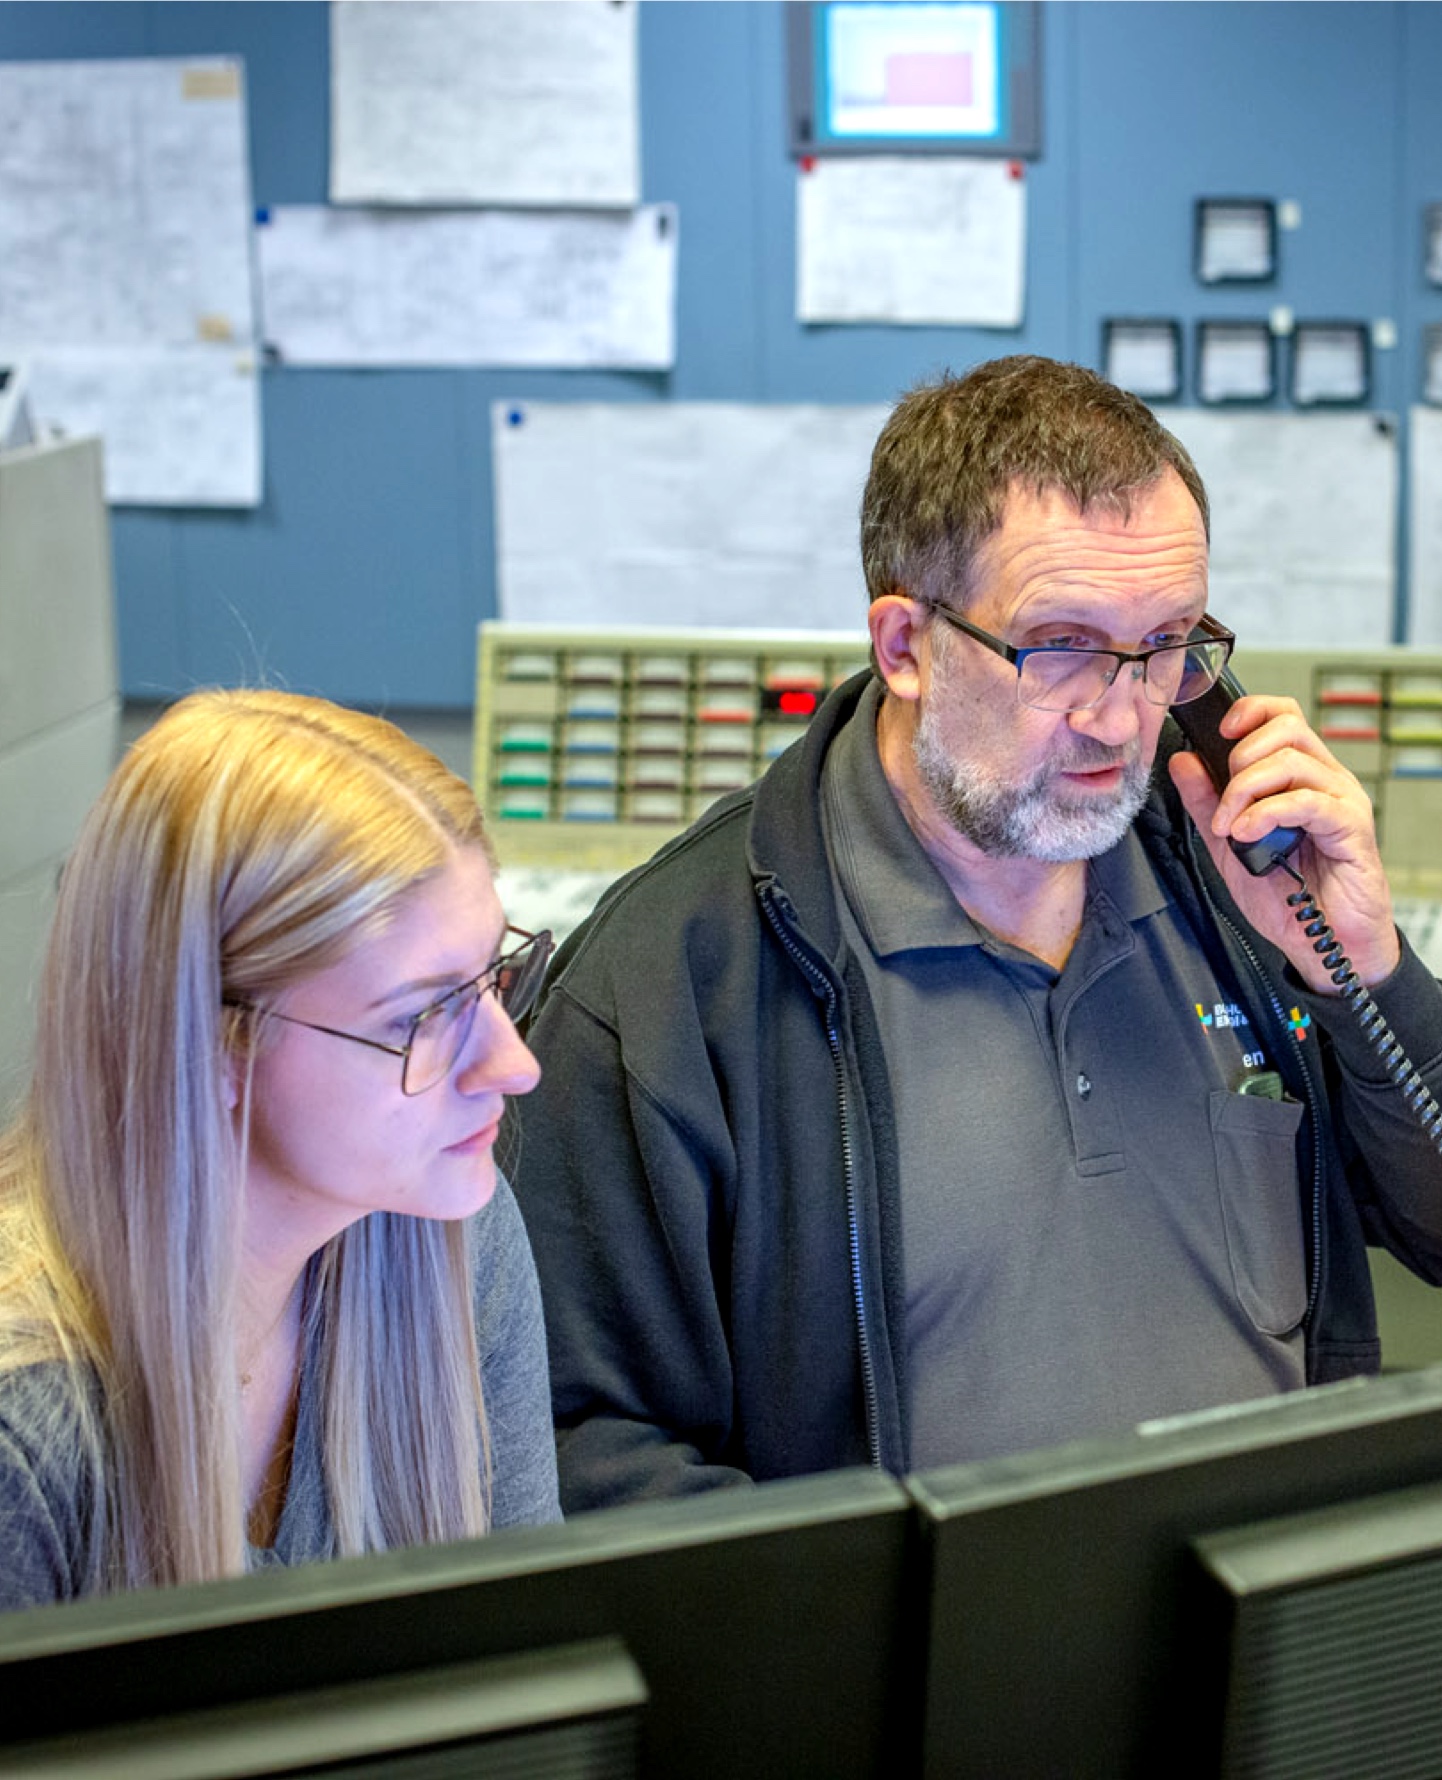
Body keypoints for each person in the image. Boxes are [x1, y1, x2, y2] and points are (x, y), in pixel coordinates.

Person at [512, 354, 1442, 1513]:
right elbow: (572, 1440)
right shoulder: (671, 980)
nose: (1120, 717)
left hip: (1263, 1602)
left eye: (1165, 643)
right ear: (903, 645)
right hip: (922, 1631)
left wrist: (1364, 970)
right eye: (1060, 646)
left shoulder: (1239, 880)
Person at [0, 689, 561, 1609]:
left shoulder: (456, 1232)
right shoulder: (26, 1440)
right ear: (210, 1044)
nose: (515, 1064)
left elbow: (528, 1653)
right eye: (424, 1015)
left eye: (492, 977)